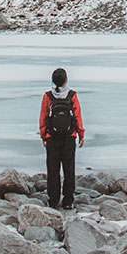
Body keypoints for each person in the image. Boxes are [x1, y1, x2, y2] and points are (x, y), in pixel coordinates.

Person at [39, 68, 85, 209]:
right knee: (69, 169)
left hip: (52, 137)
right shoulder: (72, 95)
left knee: (53, 170)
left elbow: (43, 118)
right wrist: (81, 134)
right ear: (66, 80)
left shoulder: (47, 96)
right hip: (69, 137)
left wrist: (43, 136)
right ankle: (68, 201)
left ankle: (53, 200)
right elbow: (77, 117)